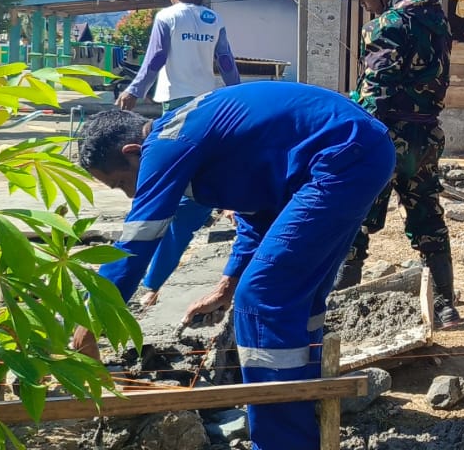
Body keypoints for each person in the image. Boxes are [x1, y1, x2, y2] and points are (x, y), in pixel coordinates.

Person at [74, 83, 395, 450]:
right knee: (295, 296)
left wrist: (91, 320)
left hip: (340, 156)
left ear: (133, 152)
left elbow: (138, 239)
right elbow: (256, 210)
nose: (130, 193)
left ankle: (281, 441)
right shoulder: (193, 135)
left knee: (262, 297)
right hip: (354, 152)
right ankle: (302, 407)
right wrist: (226, 286)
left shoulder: (165, 144)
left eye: (120, 182)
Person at [334, 0, 461, 330]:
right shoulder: (436, 19)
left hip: (387, 135)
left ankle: (339, 302)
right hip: (426, 134)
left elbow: (377, 92)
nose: (362, 0)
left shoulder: (385, 25)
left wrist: (352, 134)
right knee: (427, 215)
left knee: (353, 214)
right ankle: (446, 306)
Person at [113, 0, 241, 307]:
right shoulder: (213, 20)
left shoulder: (167, 17)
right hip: (209, 104)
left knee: (164, 189)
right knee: (193, 197)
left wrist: (135, 89)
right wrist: (237, 97)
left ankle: (134, 278)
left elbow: (155, 58)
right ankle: (153, 283)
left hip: (176, 109)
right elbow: (226, 61)